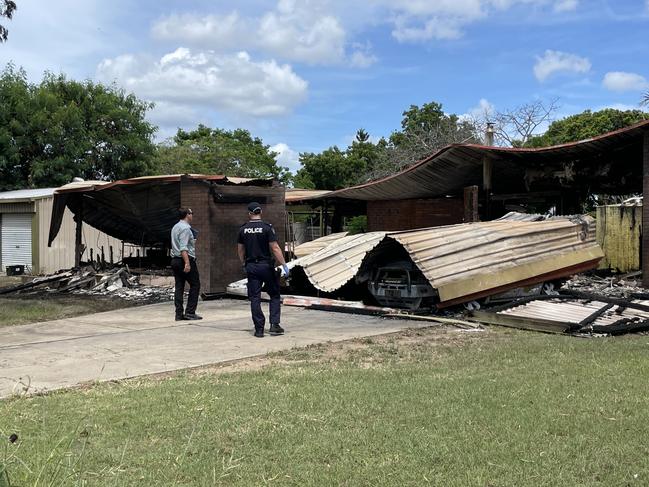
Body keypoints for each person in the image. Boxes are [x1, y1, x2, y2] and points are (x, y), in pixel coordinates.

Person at [237, 202, 289, 338]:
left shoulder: (243, 229)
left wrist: (244, 263)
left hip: (251, 267)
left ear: (249, 213)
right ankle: (274, 325)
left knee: (255, 297)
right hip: (266, 266)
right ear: (260, 212)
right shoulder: (267, 228)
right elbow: (275, 248)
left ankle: (259, 329)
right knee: (274, 294)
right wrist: (283, 264)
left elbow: (240, 250)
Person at [170, 208, 202, 321]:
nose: (192, 215)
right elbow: (183, 248)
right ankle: (190, 312)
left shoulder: (175, 227)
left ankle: (178, 314)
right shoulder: (185, 228)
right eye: (191, 213)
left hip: (175, 260)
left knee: (179, 286)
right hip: (184, 259)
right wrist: (187, 263)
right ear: (187, 215)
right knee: (195, 285)